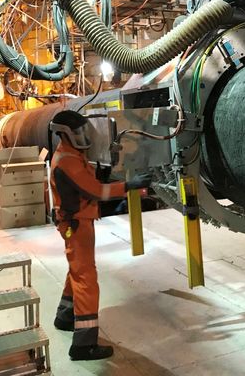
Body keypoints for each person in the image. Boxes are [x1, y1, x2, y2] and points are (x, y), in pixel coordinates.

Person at [49, 110, 151, 361]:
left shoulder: (72, 154)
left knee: (77, 269)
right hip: (77, 224)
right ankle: (84, 346)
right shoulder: (67, 160)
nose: (85, 137)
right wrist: (130, 186)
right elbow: (95, 191)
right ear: (64, 134)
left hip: (77, 222)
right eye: (79, 133)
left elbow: (88, 181)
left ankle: (65, 316)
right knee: (86, 279)